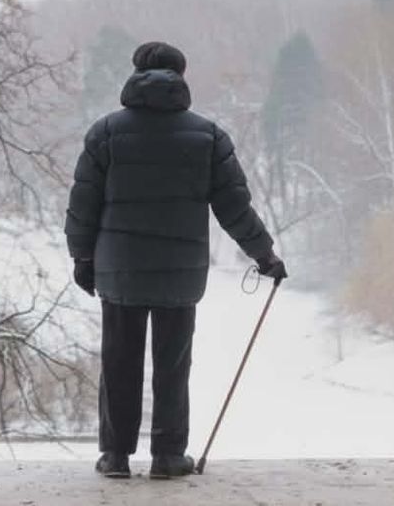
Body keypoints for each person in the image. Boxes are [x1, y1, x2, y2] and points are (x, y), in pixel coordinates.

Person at [64, 40, 287, 480]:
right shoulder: (207, 136)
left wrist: (82, 257)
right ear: (181, 77)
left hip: (120, 270)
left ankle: (115, 456)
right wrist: (265, 256)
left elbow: (82, 205)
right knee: (172, 365)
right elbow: (234, 208)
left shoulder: (105, 133)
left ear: (135, 75)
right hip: (179, 276)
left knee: (119, 362)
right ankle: (168, 456)